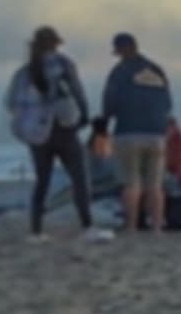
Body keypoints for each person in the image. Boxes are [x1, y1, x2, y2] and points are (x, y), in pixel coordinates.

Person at [6, 27, 106, 241]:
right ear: (55, 44)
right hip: (63, 128)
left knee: (42, 181)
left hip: (37, 134)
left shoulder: (23, 73)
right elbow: (77, 92)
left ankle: (36, 231)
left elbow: (11, 103)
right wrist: (84, 116)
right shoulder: (63, 64)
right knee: (80, 178)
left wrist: (28, 123)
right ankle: (87, 227)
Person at [94, 32, 173, 237]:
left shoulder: (119, 72)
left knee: (131, 183)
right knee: (155, 184)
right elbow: (167, 104)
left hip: (128, 132)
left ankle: (132, 226)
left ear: (120, 50)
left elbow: (109, 103)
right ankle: (156, 226)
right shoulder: (157, 70)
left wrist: (103, 124)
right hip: (156, 133)